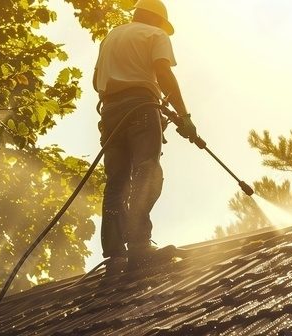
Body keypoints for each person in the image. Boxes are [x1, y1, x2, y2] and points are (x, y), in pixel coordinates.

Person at [93, 0, 203, 273]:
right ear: (157, 20)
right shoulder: (155, 34)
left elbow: (97, 82)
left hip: (110, 113)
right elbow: (163, 72)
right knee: (148, 169)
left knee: (117, 181)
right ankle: (140, 245)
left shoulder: (111, 37)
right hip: (141, 106)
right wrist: (184, 115)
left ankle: (115, 252)